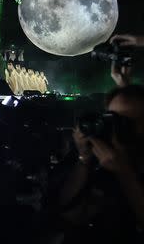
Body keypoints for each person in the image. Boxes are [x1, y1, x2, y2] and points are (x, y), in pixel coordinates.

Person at [54, 69, 144, 242]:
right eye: (113, 118)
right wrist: (83, 159)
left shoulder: (121, 162)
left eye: (127, 121)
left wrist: (123, 171)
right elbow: (70, 214)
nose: (117, 127)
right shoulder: (103, 157)